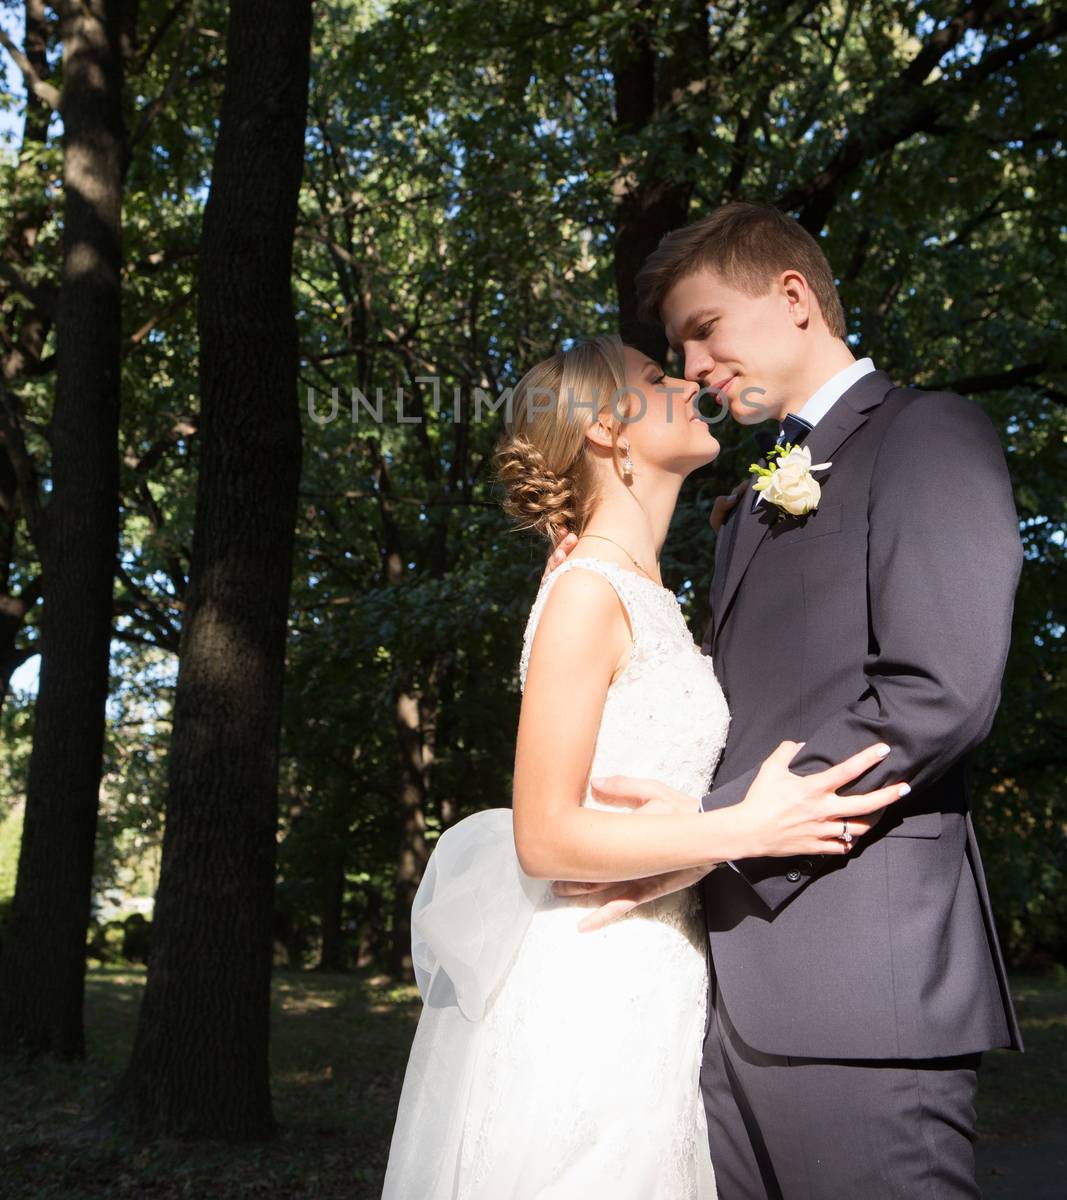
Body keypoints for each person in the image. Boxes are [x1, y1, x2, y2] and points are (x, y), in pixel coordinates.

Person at [549, 202, 1024, 1199]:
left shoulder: (924, 433)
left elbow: (935, 690)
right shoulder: (746, 505)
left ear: (793, 297)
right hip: (721, 990)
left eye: (702, 327)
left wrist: (715, 832)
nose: (689, 365)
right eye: (676, 345)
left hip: (862, 980)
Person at [381, 331, 909, 1199]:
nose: (694, 381)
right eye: (659, 378)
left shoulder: (639, 592)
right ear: (602, 430)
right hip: (588, 980)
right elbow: (544, 839)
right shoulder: (589, 591)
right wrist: (743, 827)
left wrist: (702, 843)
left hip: (655, 977)